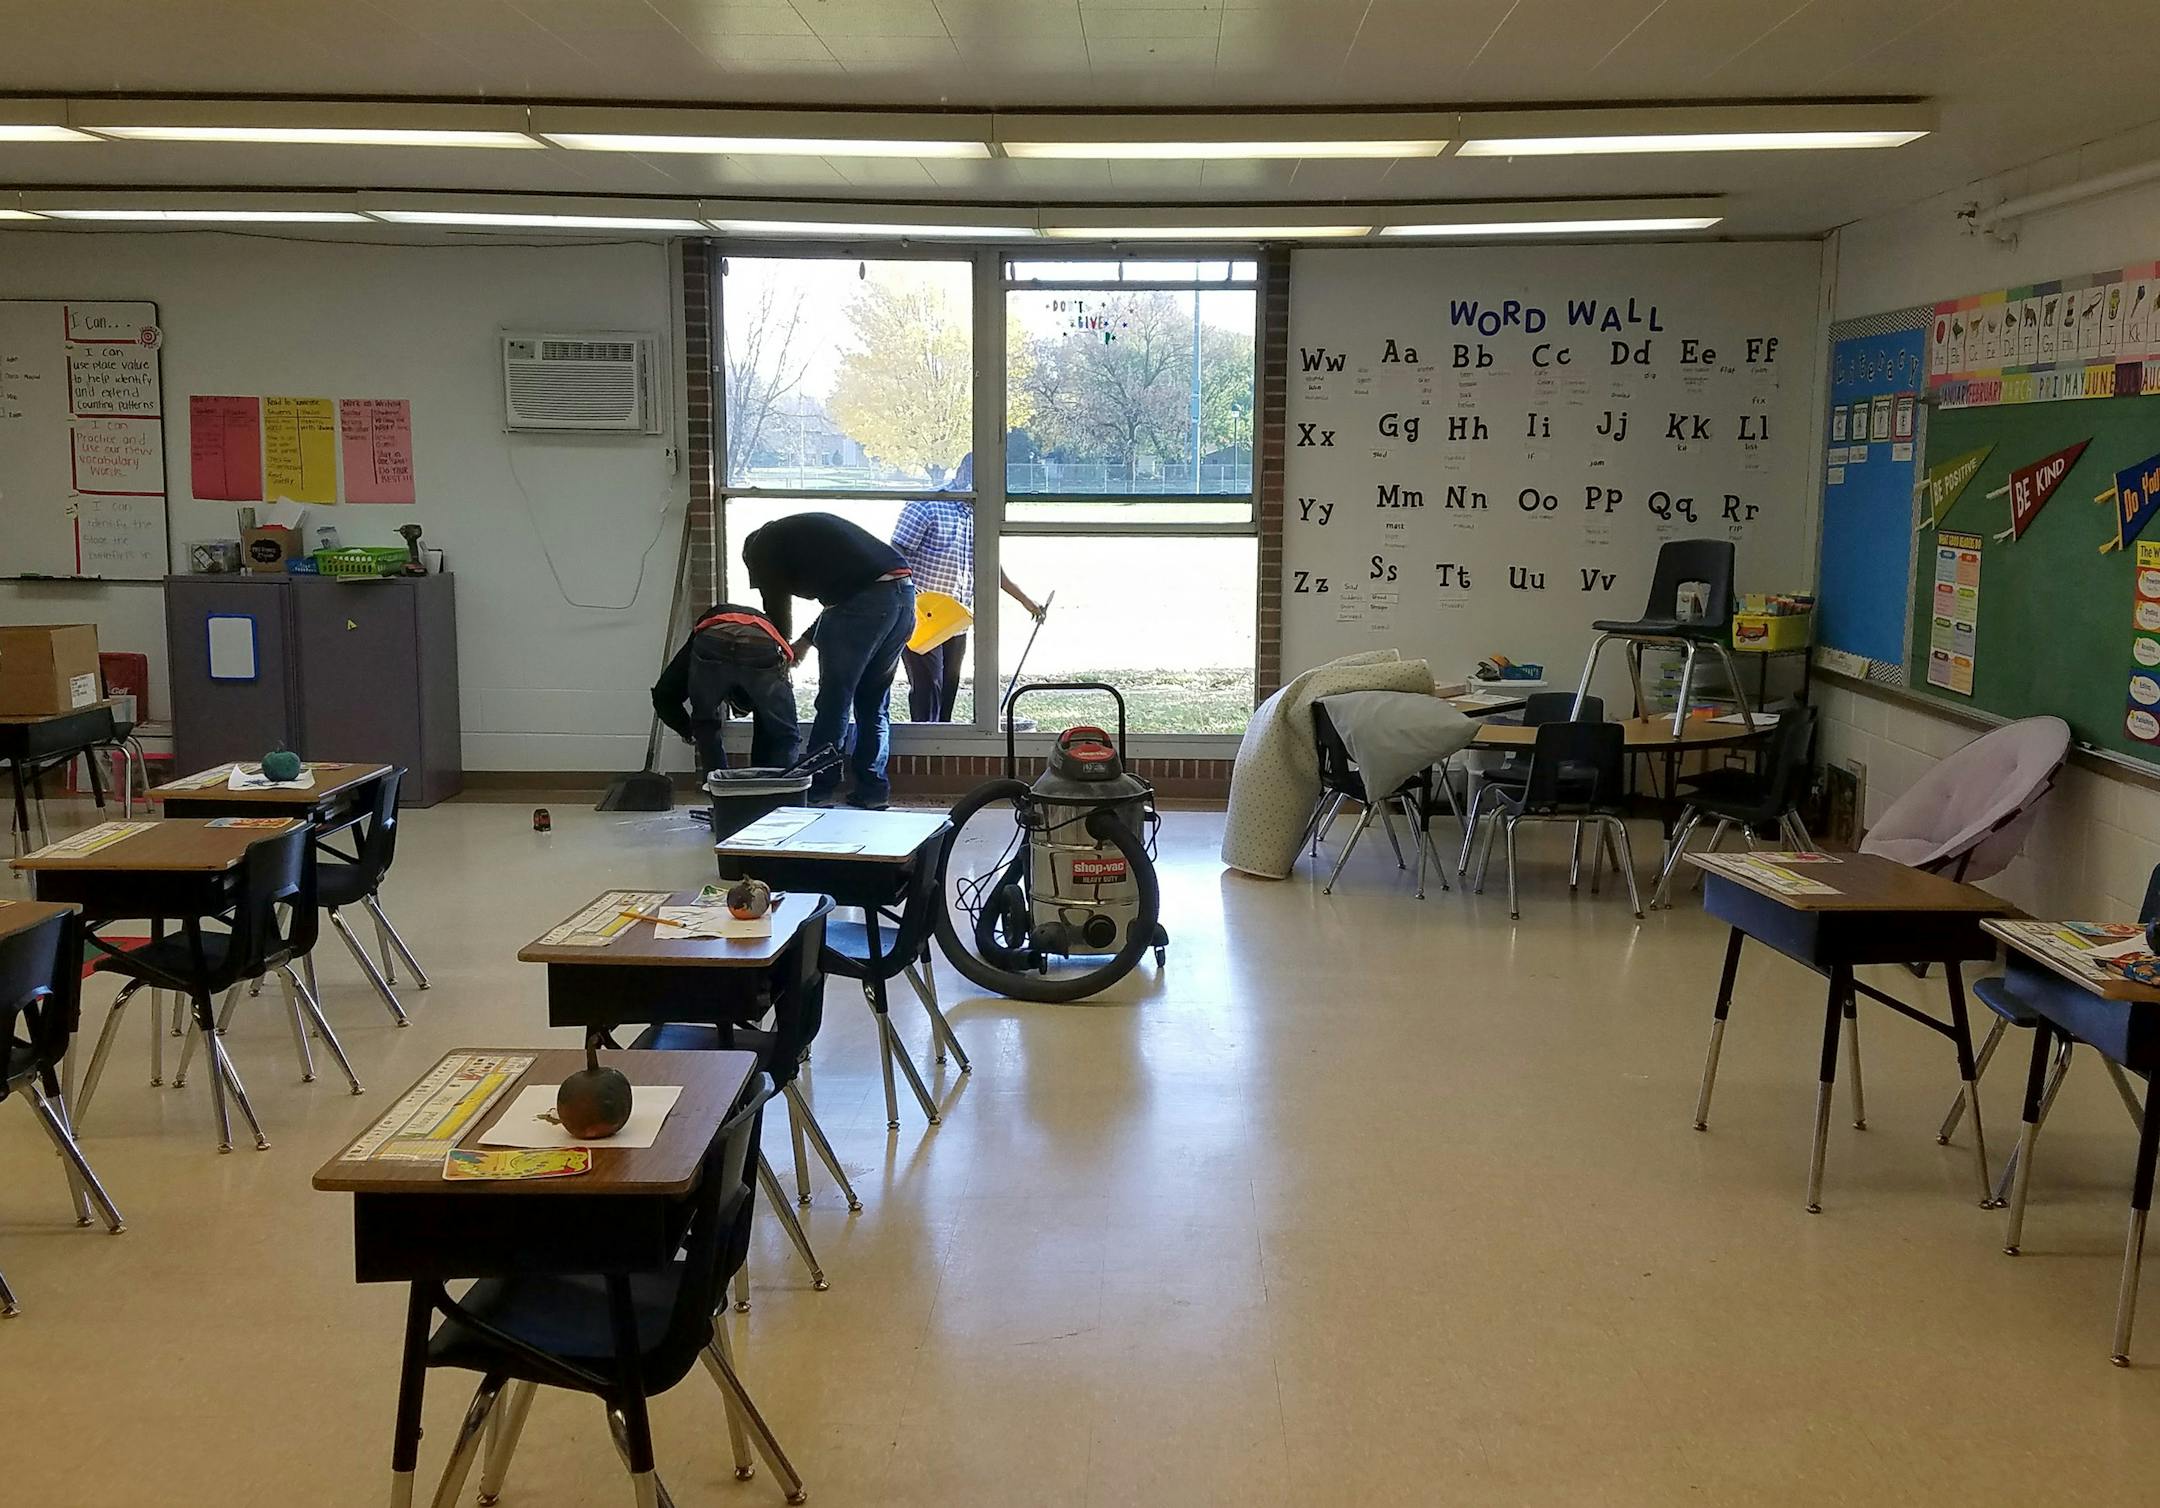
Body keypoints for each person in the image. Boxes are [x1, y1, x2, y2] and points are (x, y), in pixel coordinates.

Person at [741, 512, 914, 808]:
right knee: (873, 702)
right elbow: (845, 599)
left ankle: (817, 789)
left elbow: (778, 609)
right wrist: (805, 643)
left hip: (867, 603)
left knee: (835, 699)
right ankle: (873, 791)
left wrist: (778, 650)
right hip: (903, 596)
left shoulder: (763, 549)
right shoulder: (802, 541)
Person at [891, 455, 1045, 723]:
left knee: (949, 685)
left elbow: (989, 566)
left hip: (956, 620)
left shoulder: (978, 515)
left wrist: (1026, 601)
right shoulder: (928, 505)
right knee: (928, 688)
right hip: (922, 617)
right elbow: (894, 555)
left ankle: (944, 746)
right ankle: (926, 750)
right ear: (963, 473)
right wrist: (910, 599)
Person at [650, 601, 798, 774]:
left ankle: (720, 792)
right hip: (760, 638)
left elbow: (663, 695)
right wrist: (686, 729)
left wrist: (690, 730)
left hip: (713, 636)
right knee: (784, 732)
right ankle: (780, 794)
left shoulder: (695, 650)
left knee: (705, 722)